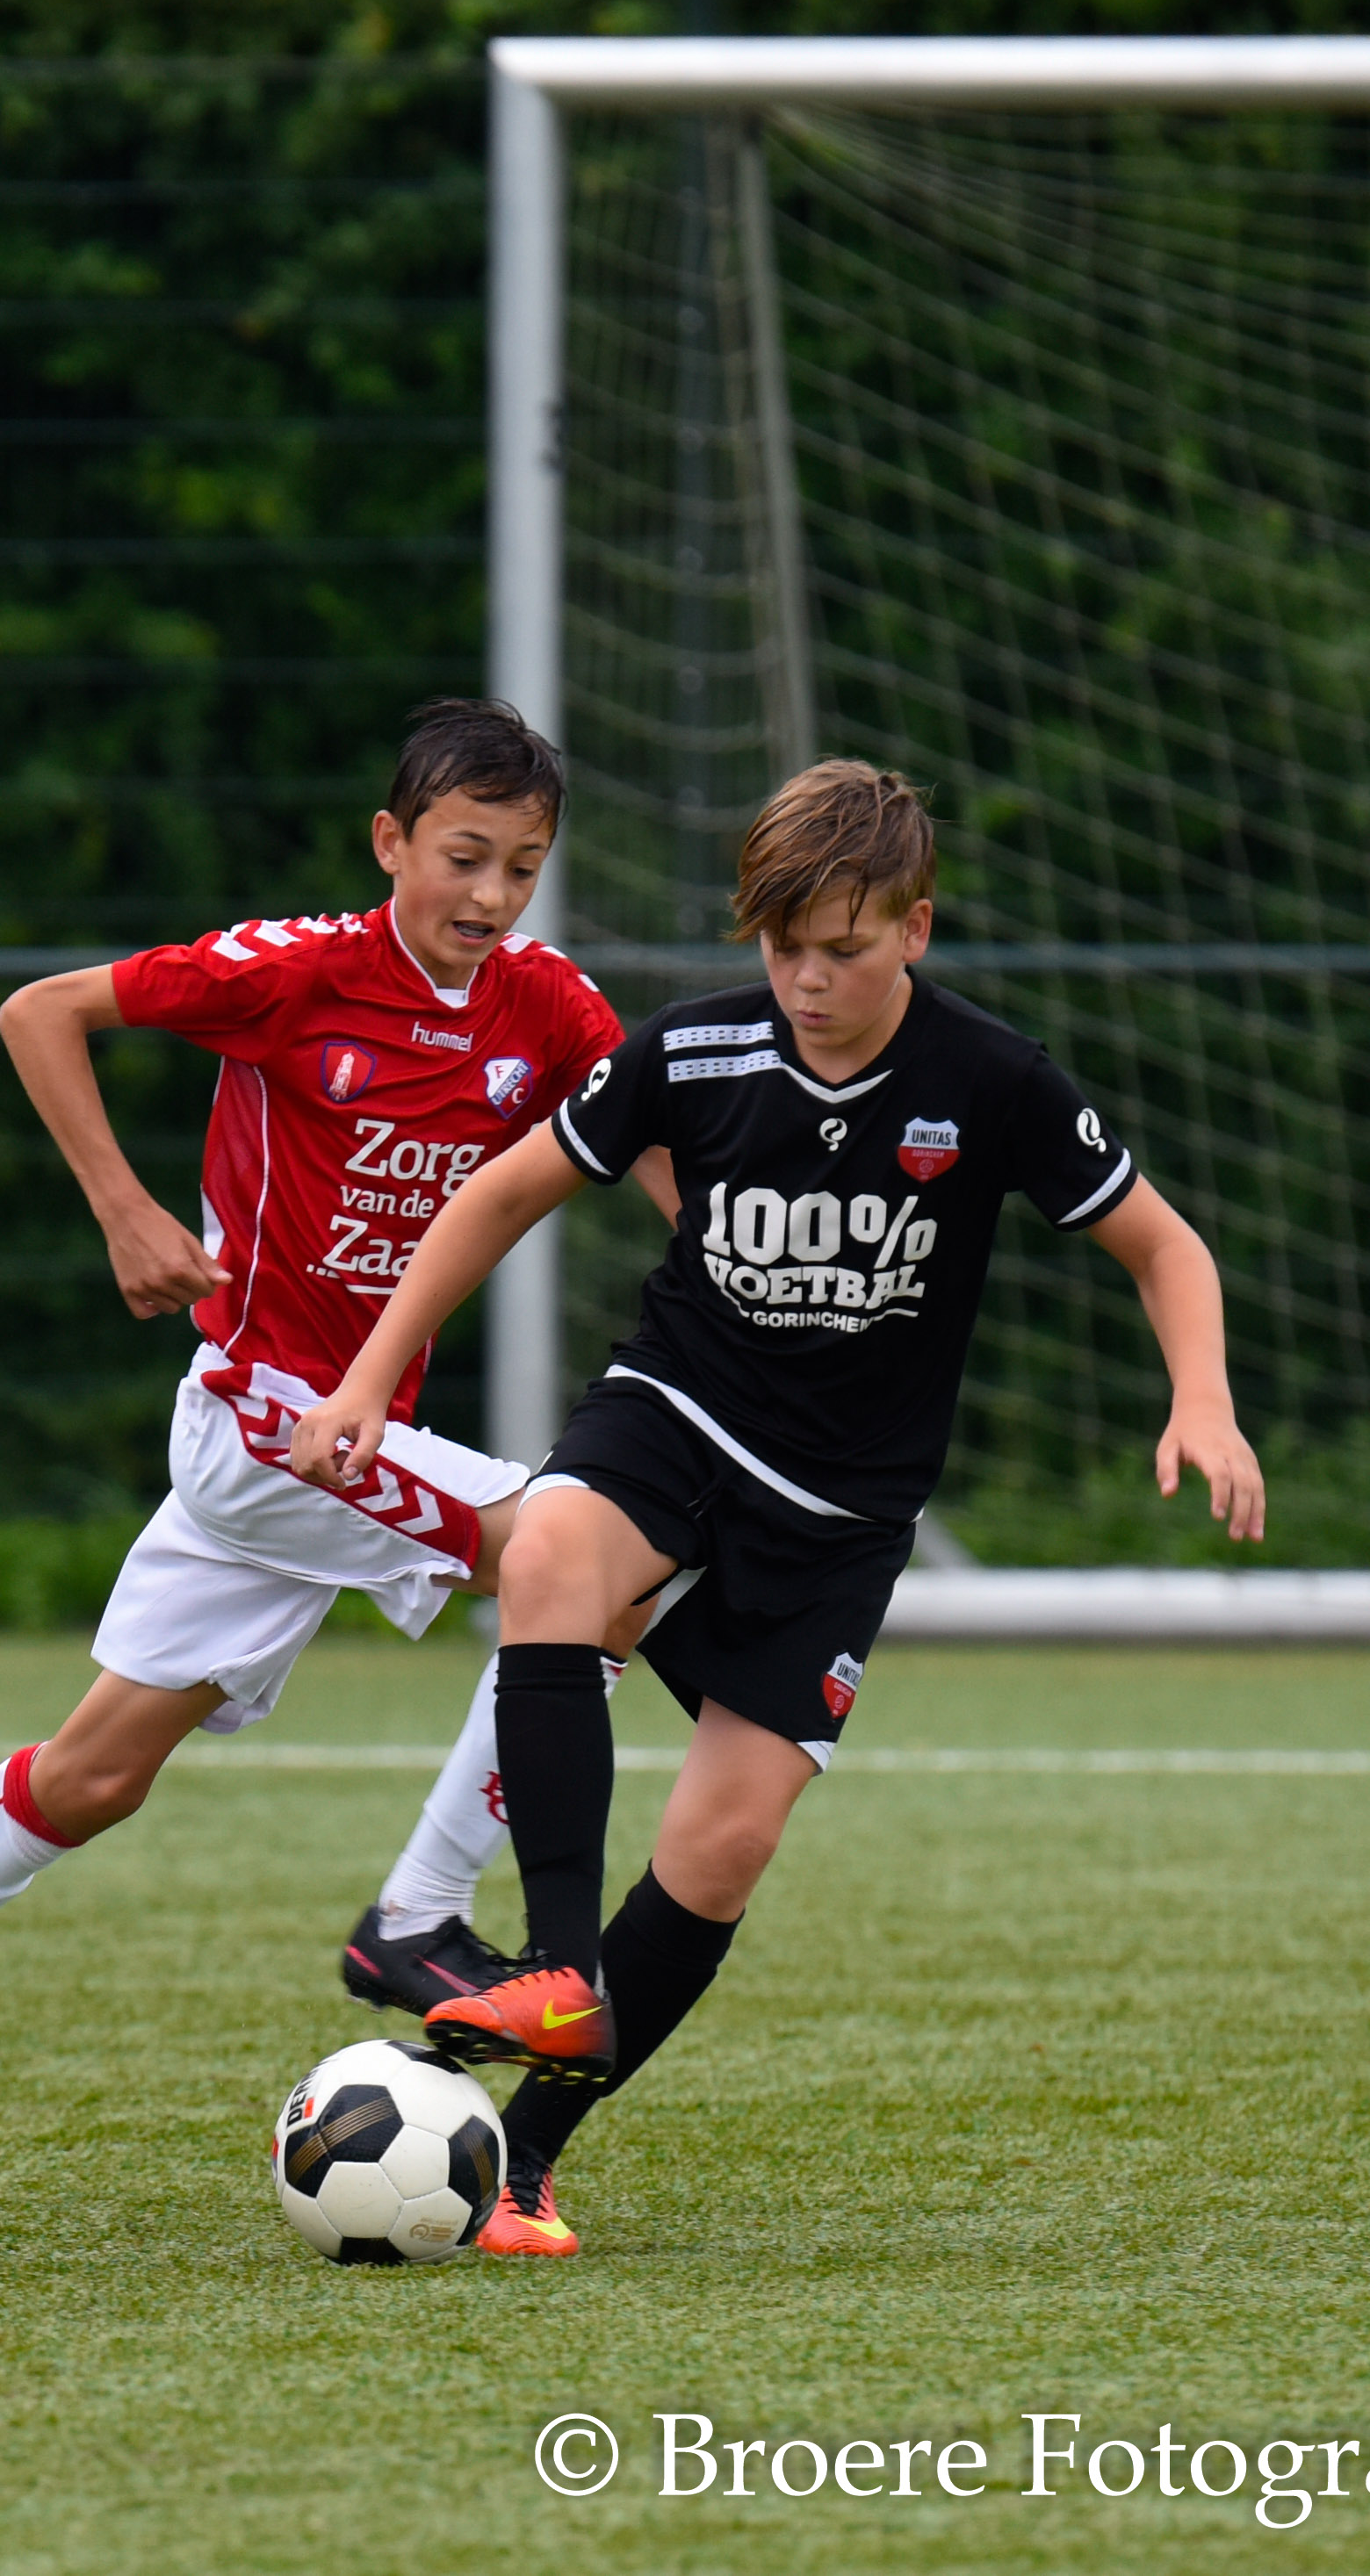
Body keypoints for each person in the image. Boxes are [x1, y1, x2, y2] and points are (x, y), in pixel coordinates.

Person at [283, 758, 1264, 2257]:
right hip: (678, 1408)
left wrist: (1203, 1400)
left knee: (724, 1849)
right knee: (551, 1551)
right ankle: (556, 1965)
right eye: (782, 946)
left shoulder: (991, 1079)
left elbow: (1164, 1244)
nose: (807, 981)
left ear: (915, 929)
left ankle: (524, 2159)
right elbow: (500, 1192)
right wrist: (367, 1380)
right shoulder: (693, 1050)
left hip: (841, 1510)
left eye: (843, 950)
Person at [0, 699, 667, 2200]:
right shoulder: (295, 971)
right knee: (593, 1564)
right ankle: (417, 1919)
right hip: (270, 1424)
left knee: (94, 1775)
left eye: (521, 867)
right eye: (464, 856)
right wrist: (125, 1208)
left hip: (333, 1441)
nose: (490, 895)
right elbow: (41, 1012)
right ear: (391, 842)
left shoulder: (545, 1006)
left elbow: (659, 1146)